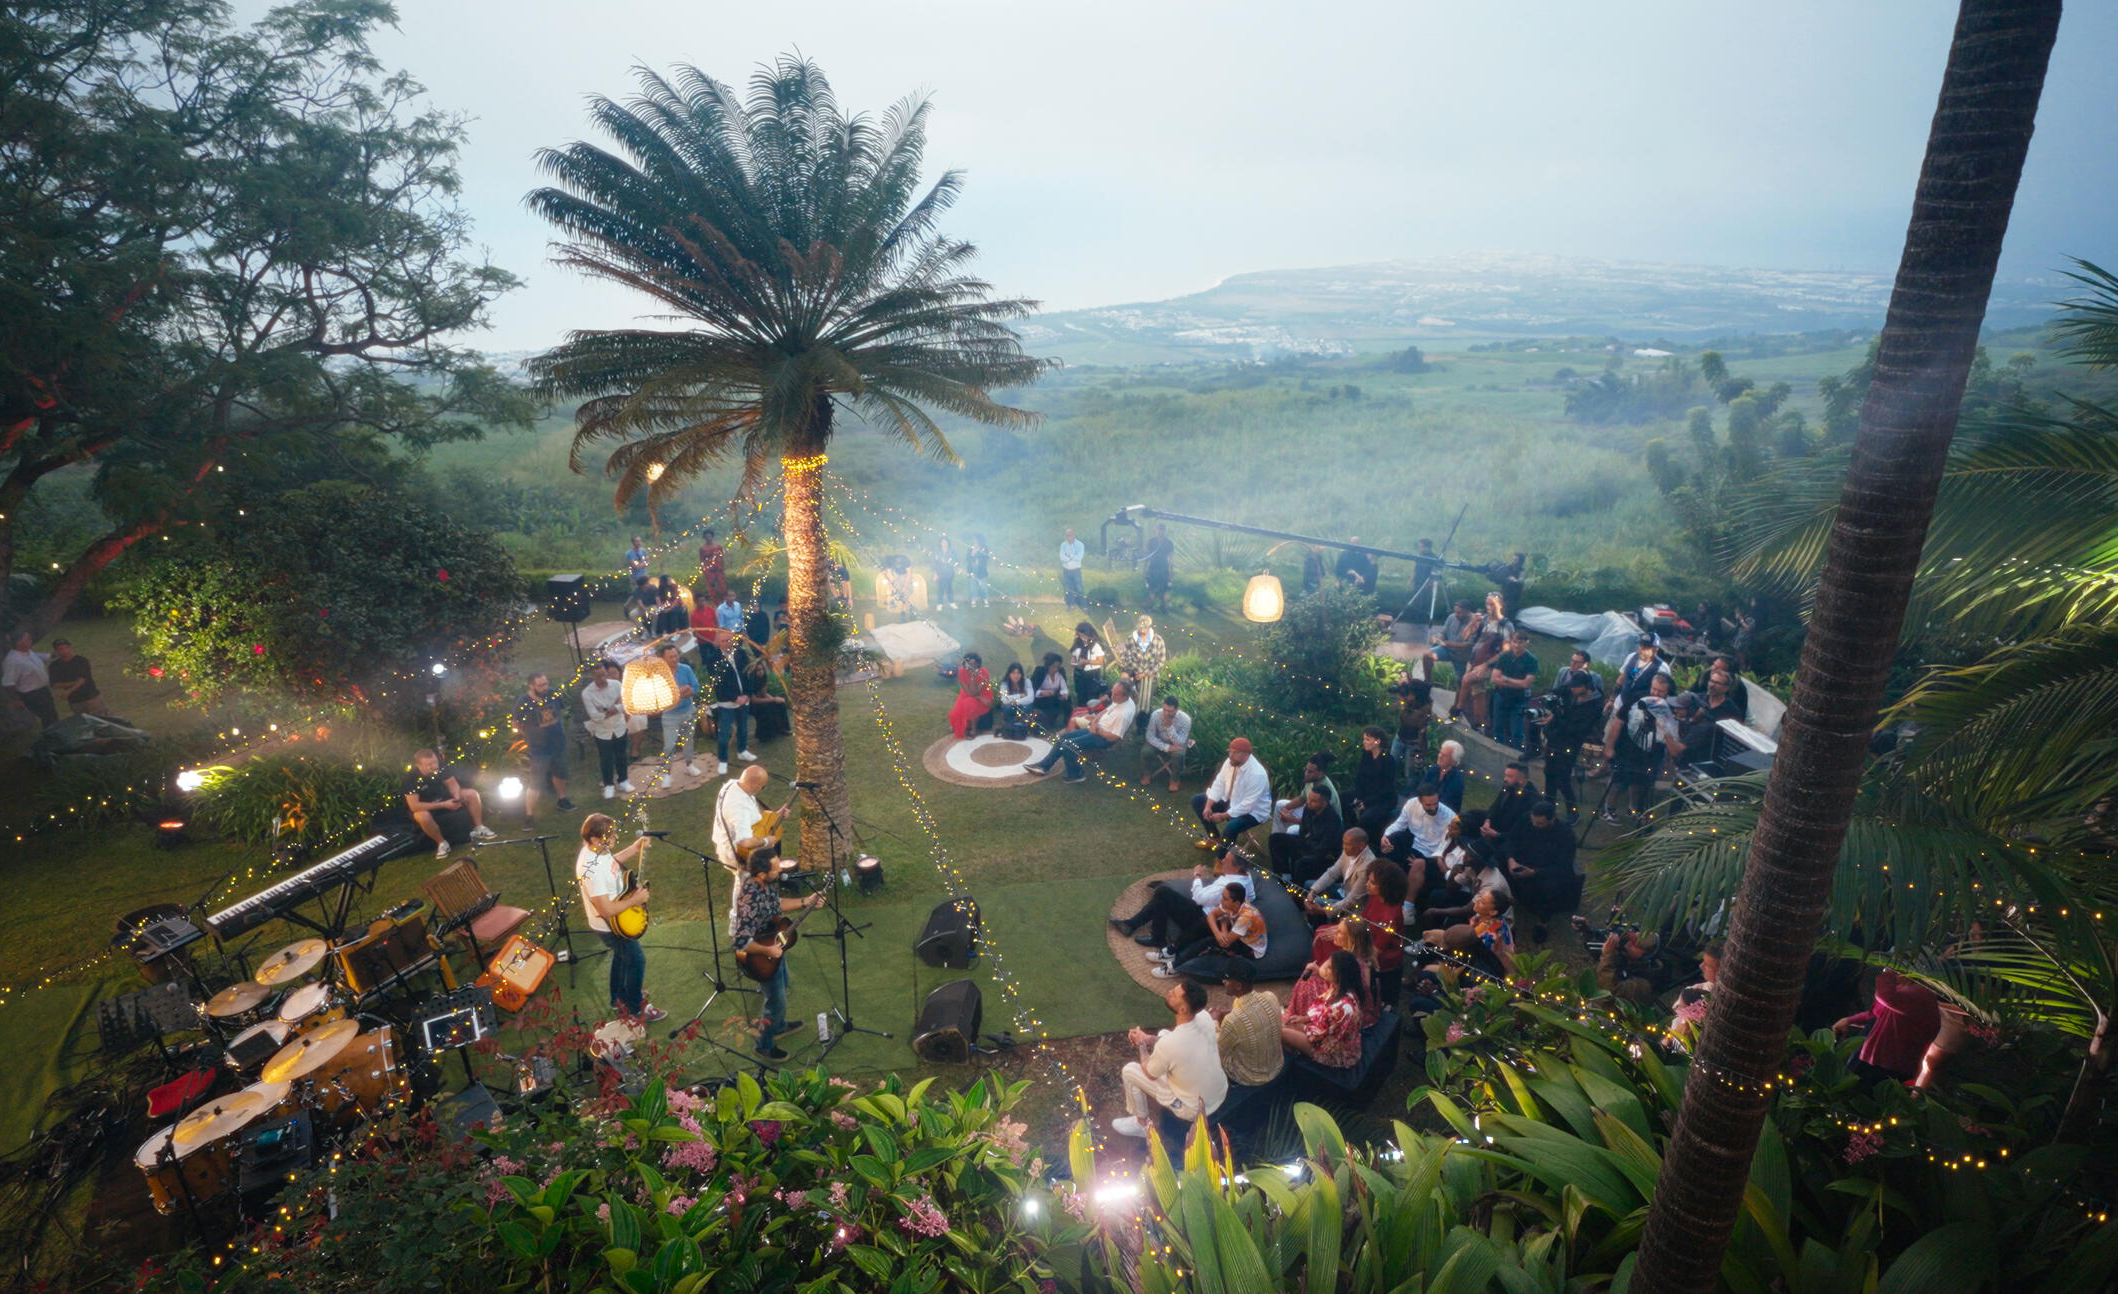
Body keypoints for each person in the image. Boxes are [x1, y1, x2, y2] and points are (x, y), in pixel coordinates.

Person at [730, 838, 826, 1059]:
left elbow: (775, 904)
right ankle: (764, 1045)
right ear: (762, 874)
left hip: (771, 944)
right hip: (759, 957)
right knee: (776, 1001)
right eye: (776, 867)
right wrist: (768, 951)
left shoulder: (767, 884)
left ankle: (779, 1026)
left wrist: (806, 901)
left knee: (784, 983)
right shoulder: (750, 897)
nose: (780, 869)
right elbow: (741, 941)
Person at [1113, 979, 1226, 1140]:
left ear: (1183, 1008)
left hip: (1192, 1108)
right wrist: (1149, 1038)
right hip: (1218, 1093)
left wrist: (1141, 1043)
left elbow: (1149, 1072)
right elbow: (1175, 1042)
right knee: (1164, 1033)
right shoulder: (1205, 1017)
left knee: (1130, 1071)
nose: (1169, 993)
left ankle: (1141, 1124)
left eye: (1174, 994)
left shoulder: (1170, 1045)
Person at [576, 814, 663, 1021]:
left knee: (622, 957)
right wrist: (636, 900)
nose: (614, 838)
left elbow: (611, 863)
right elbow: (606, 910)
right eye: (610, 835)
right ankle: (634, 1009)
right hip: (611, 925)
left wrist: (634, 849)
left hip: (614, 919)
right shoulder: (591, 870)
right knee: (636, 960)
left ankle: (617, 999)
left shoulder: (598, 850)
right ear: (594, 839)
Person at [1110, 851, 1252, 956]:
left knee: (1163, 893)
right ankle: (1132, 925)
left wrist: (1197, 875)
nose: (1221, 861)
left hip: (1201, 918)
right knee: (1162, 896)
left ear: (1237, 868)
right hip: (1208, 913)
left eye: (1226, 860)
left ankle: (1155, 937)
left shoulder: (1229, 885)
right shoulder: (1246, 877)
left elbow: (1198, 898)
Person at [1835, 970, 1943, 1087]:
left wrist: (1889, 971)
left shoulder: (1923, 994)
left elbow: (1886, 997)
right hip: (1872, 1059)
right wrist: (1849, 1021)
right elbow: (1876, 1014)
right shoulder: (1904, 990)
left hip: (1889, 1067)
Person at [1153, 876, 1267, 981]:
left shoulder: (1246, 917)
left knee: (1209, 942)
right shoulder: (1231, 905)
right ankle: (1172, 951)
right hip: (1237, 931)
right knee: (1204, 924)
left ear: (1236, 902)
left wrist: (1223, 925)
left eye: (1225, 899)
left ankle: (1173, 968)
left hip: (1250, 947)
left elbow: (1225, 943)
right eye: (1223, 896)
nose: (1221, 901)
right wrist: (1218, 932)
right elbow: (1211, 916)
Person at [1023, 680, 1134, 782]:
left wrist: (1097, 730)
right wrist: (1095, 720)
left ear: (1125, 696)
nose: (1112, 696)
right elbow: (1106, 710)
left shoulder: (1123, 714)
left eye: (1116, 694)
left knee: (1068, 745)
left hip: (1103, 738)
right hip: (1096, 728)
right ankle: (1043, 766)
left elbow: (1115, 737)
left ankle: (1076, 774)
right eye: (1112, 692)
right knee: (1064, 737)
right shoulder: (1120, 700)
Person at [1208, 962, 1284, 1107]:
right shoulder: (1270, 996)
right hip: (1276, 1065)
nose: (1223, 981)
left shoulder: (1233, 1021)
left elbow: (1219, 1051)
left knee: (1208, 1045)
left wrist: (1215, 1021)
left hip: (1251, 1077)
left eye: (1227, 979)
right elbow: (1250, 1013)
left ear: (1238, 985)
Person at [1502, 799, 1580, 940]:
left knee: (1550, 886)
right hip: (1522, 861)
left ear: (1552, 819)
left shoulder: (1565, 835)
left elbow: (1563, 866)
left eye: (1540, 823)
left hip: (1546, 870)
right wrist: (1511, 860)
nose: (1535, 825)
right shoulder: (1526, 819)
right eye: (1534, 821)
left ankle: (1542, 923)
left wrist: (1535, 872)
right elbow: (1511, 839)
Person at [1603, 672, 1676, 821]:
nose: (1656, 693)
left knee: (1640, 782)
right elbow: (1618, 722)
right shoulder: (1637, 699)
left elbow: (1672, 732)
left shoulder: (1670, 706)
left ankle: (1634, 809)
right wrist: (1609, 747)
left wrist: (1669, 758)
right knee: (1619, 779)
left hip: (1652, 753)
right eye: (1654, 689)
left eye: (1660, 691)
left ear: (1668, 692)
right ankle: (1608, 810)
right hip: (1628, 748)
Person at [401, 748, 497, 857]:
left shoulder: (440, 767)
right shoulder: (410, 778)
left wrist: (457, 798)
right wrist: (443, 804)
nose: (434, 766)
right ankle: (442, 843)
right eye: (429, 764)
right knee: (422, 816)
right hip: (425, 805)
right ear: (419, 766)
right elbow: (414, 806)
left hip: (443, 798)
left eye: (435, 762)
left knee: (472, 794)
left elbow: (453, 784)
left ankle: (479, 827)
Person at [1535, 670, 1604, 821]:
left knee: (1563, 778)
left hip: (1570, 744)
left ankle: (1573, 812)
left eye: (1576, 687)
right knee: (1549, 774)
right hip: (1554, 738)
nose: (1572, 690)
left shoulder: (1594, 705)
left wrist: (1556, 718)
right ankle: (1548, 807)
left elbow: (1579, 729)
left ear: (1586, 686)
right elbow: (1555, 693)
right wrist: (1551, 704)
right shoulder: (1569, 690)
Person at [1281, 950, 1365, 1069]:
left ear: (1340, 975)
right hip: (1323, 1036)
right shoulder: (1339, 988)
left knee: (1281, 1032)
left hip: (1333, 1053)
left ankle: (1293, 1064)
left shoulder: (1344, 1008)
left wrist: (1303, 1028)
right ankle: (1295, 1058)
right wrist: (1305, 1019)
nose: (1325, 967)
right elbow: (1322, 1011)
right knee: (1288, 1024)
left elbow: (1323, 1041)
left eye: (1330, 967)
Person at [1193, 737, 1273, 854]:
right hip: (1232, 800)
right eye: (1230, 751)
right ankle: (1214, 838)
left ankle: (1222, 859)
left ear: (1247, 755)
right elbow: (1219, 784)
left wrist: (1222, 816)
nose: (1230, 755)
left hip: (1254, 812)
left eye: (1235, 753)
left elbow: (1248, 805)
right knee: (1198, 800)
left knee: (1232, 826)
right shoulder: (1231, 761)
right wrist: (1208, 806)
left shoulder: (1257, 774)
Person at [513, 673, 573, 824]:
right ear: (531, 686)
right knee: (536, 781)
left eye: (546, 683)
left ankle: (562, 799)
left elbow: (560, 711)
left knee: (560, 773)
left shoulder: (553, 694)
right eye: (541, 685)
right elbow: (516, 724)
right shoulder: (523, 702)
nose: (545, 687)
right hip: (539, 748)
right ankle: (529, 815)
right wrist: (530, 734)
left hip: (558, 743)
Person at [1378, 783, 1455, 901]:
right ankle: (1384, 883)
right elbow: (1400, 824)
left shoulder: (1449, 817)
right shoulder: (1412, 804)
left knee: (1416, 864)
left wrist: (1425, 861)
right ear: (1420, 801)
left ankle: (1405, 901)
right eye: (1428, 805)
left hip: (1431, 854)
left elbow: (1444, 847)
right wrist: (1386, 836)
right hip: (1414, 844)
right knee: (1390, 841)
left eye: (1436, 803)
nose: (1433, 808)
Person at [701, 631, 755, 774]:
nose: (727, 643)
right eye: (724, 641)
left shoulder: (740, 653)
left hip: (744, 700)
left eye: (729, 640)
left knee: (743, 727)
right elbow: (718, 685)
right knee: (724, 732)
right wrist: (734, 698)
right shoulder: (713, 659)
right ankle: (723, 760)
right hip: (727, 703)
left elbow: (748, 674)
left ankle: (742, 750)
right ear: (718, 643)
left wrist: (747, 694)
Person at [1268, 785, 1344, 884]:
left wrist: (1303, 849)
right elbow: (1303, 832)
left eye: (1313, 801)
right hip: (1307, 843)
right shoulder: (1308, 809)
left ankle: (1296, 888)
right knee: (1276, 838)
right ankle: (1283, 874)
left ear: (1324, 803)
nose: (1309, 802)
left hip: (1323, 854)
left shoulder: (1332, 820)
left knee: (1302, 862)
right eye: (1309, 799)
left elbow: (1324, 848)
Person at [581, 660, 633, 798]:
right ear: (593, 676)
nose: (603, 678)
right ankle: (608, 784)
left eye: (604, 674)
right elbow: (594, 716)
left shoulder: (616, 685)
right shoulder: (587, 693)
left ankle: (623, 780)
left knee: (621, 755)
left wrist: (608, 709)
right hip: (602, 731)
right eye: (599, 676)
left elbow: (626, 703)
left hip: (619, 726)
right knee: (606, 759)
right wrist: (614, 709)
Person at [654, 643, 702, 787]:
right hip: (670, 715)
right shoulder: (658, 674)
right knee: (669, 746)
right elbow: (662, 696)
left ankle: (689, 765)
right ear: (663, 659)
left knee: (688, 741)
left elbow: (695, 687)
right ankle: (666, 774)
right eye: (671, 657)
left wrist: (679, 693)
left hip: (688, 711)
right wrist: (682, 691)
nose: (675, 659)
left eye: (676, 655)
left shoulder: (686, 669)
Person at [1303, 828, 1377, 919]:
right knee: (1309, 885)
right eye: (1343, 843)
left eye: (1347, 844)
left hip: (1354, 905)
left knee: (1317, 902)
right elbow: (1332, 873)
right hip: (1344, 890)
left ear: (1361, 846)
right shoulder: (1348, 852)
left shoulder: (1367, 866)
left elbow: (1352, 900)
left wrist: (1324, 911)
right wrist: (1313, 891)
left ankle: (1318, 926)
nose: (1343, 847)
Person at [712, 764, 771, 874]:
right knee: (746, 883)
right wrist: (766, 841)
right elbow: (744, 842)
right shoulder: (740, 808)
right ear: (755, 786)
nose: (761, 789)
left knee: (744, 884)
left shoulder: (733, 784)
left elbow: (751, 815)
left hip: (724, 843)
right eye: (762, 787)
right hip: (737, 853)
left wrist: (775, 815)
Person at [1489, 630, 1540, 751]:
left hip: (1519, 699)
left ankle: (1518, 753)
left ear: (1526, 643)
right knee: (1498, 727)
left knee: (1517, 730)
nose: (1516, 645)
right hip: (1501, 696)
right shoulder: (1504, 656)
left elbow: (1526, 684)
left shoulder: (1531, 660)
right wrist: (1516, 682)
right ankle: (1498, 750)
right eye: (1514, 642)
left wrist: (1506, 679)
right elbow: (1494, 678)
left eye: (1520, 643)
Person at [1387, 661, 1434, 788]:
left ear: (1417, 695)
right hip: (1400, 738)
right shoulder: (1411, 701)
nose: (1408, 695)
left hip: (1414, 744)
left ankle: (1410, 794)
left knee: (1411, 774)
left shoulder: (1424, 709)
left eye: (1410, 693)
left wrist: (1403, 702)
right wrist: (1404, 679)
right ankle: (1389, 787)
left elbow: (1409, 720)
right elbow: (1393, 709)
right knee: (1391, 765)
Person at [1347, 726, 1398, 841]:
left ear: (1377, 741)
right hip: (1366, 793)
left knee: (1367, 817)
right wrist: (1358, 797)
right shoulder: (1366, 755)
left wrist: (1367, 802)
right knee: (1343, 798)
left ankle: (1365, 841)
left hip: (1383, 798)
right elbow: (1360, 778)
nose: (1364, 742)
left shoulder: (1388, 760)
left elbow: (1387, 788)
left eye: (1367, 739)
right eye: (1364, 739)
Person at [1437, 600, 1484, 719]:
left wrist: (1448, 643)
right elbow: (1447, 633)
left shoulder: (1478, 623)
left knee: (1468, 684)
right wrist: (1440, 640)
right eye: (1455, 612)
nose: (1456, 614)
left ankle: (1465, 710)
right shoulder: (1453, 618)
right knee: (1463, 682)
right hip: (1457, 653)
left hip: (1468, 658)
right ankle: (1458, 708)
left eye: (1459, 612)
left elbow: (1469, 644)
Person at [39, 639, 107, 717]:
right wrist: (74, 683)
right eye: (60, 649)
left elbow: (82, 679)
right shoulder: (54, 666)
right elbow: (54, 685)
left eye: (65, 648)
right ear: (56, 651)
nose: (64, 651)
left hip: (91, 697)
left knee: (103, 719)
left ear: (69, 648)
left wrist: (69, 690)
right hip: (74, 701)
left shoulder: (81, 660)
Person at [1140, 694, 1194, 790]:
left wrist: (1169, 727)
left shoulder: (1186, 720)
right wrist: (1166, 747)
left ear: (1177, 709)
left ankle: (1175, 780)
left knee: (1179, 755)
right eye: (1164, 710)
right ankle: (1146, 774)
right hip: (1159, 742)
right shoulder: (1156, 715)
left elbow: (1180, 742)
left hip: (1176, 744)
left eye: (1170, 711)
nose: (1166, 713)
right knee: (1146, 751)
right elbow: (1150, 736)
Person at [1115, 615, 1167, 714]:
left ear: (1150, 627)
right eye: (1140, 628)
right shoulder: (1131, 639)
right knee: (1132, 701)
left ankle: (1143, 721)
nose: (1142, 631)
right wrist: (1136, 673)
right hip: (1135, 676)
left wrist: (1145, 673)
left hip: (1151, 676)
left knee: (1146, 703)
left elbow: (1161, 660)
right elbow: (1127, 658)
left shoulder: (1158, 640)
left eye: (1145, 628)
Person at [3, 632, 56, 728]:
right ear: (19, 642)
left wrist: (54, 655)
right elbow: (8, 683)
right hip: (32, 695)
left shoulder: (28, 652)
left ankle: (56, 733)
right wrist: (16, 700)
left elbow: (38, 657)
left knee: (52, 714)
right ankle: (52, 737)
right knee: (48, 717)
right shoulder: (12, 660)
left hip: (43, 690)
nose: (31, 640)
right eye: (28, 639)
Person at [1611, 634, 1673, 714]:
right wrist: (1611, 699)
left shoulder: (1662, 667)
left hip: (1639, 711)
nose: (1642, 649)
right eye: (1641, 645)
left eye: (1647, 647)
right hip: (1619, 704)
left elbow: (1663, 692)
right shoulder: (1632, 657)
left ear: (1656, 649)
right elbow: (1621, 679)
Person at [1482, 762, 1535, 841]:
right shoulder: (1508, 788)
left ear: (1522, 780)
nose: (1505, 779)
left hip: (1509, 840)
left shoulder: (1531, 800)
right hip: (1494, 828)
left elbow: (1523, 832)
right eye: (1505, 775)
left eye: (1509, 776)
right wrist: (1487, 821)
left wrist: (1498, 835)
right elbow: (1495, 806)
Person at [948, 650, 993, 740]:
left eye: (973, 664)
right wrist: (972, 677)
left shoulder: (983, 673)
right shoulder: (961, 672)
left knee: (970, 703)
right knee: (955, 714)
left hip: (982, 694)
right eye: (969, 663)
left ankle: (973, 730)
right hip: (966, 693)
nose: (970, 666)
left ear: (977, 664)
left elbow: (975, 692)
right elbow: (969, 692)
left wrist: (972, 677)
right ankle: (962, 724)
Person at [1029, 652, 1070, 733]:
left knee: (1067, 702)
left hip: (1055, 697)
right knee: (1049, 710)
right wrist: (1042, 693)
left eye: (1058, 667)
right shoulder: (1039, 672)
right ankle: (1046, 722)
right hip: (1040, 698)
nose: (1056, 669)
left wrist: (1063, 694)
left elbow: (1064, 688)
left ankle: (1068, 723)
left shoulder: (1060, 672)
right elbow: (1032, 689)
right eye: (1053, 667)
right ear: (1048, 666)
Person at [1068, 621, 1107, 702]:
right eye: (1080, 635)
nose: (1082, 638)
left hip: (1092, 674)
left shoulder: (1096, 645)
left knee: (1091, 695)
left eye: (1083, 636)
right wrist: (1073, 668)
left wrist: (1086, 662)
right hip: (1079, 673)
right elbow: (1074, 656)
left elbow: (1100, 661)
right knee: (1081, 694)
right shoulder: (1078, 642)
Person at [1426, 739, 1466, 813]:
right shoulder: (1433, 769)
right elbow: (1420, 789)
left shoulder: (1456, 781)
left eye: (1444, 755)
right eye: (1440, 753)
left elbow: (1444, 805)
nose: (1440, 756)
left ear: (1453, 761)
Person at [1142, 524, 1175, 611]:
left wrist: (1171, 570)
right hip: (1153, 567)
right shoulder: (1151, 541)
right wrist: (1145, 569)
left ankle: (1164, 607)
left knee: (1165, 589)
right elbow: (1147, 556)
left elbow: (1171, 558)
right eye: (1159, 529)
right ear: (1156, 530)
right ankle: (1150, 606)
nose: (1161, 531)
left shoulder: (1169, 542)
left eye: (1162, 530)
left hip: (1164, 567)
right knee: (1152, 589)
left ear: (1165, 531)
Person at [994, 661, 1033, 734]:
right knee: (1008, 708)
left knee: (1027, 707)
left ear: (1021, 674)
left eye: (1018, 673)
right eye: (1013, 673)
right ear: (1009, 674)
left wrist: (1015, 702)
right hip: (1010, 707)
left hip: (1022, 706)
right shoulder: (1005, 684)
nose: (1016, 675)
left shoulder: (1027, 682)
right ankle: (1010, 727)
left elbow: (1030, 698)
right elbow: (1004, 699)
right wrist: (1020, 695)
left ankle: (1023, 727)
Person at [696, 529, 728, 604]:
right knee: (712, 589)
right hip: (709, 571)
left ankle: (724, 602)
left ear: (712, 536)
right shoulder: (702, 548)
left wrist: (723, 569)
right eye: (706, 536)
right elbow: (701, 560)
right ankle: (716, 604)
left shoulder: (718, 546)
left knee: (722, 588)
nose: (708, 538)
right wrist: (704, 571)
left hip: (718, 569)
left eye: (709, 536)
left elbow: (721, 558)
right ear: (704, 537)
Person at [1059, 527, 1087, 610]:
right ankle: (1071, 605)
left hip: (1076, 571)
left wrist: (1069, 555)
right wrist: (1071, 558)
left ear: (1074, 535)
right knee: (1068, 589)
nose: (1068, 537)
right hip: (1066, 571)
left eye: (1070, 535)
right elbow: (1062, 557)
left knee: (1079, 589)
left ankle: (1084, 606)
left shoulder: (1080, 545)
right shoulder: (1063, 545)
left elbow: (1079, 557)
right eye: (1067, 535)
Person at [964, 533, 993, 607]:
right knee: (973, 587)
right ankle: (973, 600)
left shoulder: (984, 548)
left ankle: (985, 599)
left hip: (982, 571)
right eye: (973, 540)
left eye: (976, 540)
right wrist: (972, 554)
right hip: (972, 571)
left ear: (979, 540)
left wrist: (978, 558)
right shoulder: (970, 548)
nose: (974, 541)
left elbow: (986, 558)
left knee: (983, 586)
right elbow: (967, 559)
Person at [931, 535, 958, 610]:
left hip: (949, 573)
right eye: (942, 542)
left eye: (945, 542)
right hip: (940, 573)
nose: (944, 543)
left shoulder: (952, 551)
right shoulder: (937, 551)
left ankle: (951, 602)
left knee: (949, 588)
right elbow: (934, 563)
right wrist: (935, 573)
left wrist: (956, 567)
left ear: (948, 543)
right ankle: (940, 603)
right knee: (940, 589)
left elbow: (956, 560)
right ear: (940, 543)